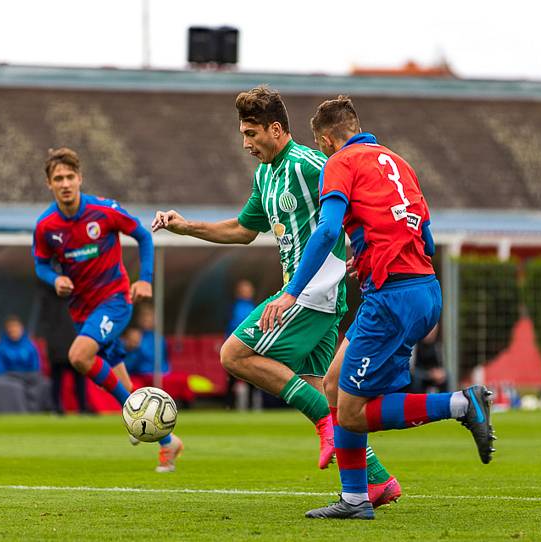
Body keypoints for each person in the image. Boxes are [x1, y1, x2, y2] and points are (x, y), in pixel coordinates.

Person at [153, 86, 396, 500]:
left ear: (276, 128)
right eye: (243, 135)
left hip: (310, 291)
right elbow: (244, 231)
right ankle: (377, 480)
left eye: (251, 134)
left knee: (234, 355)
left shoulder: (309, 163)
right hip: (318, 298)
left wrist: (368, 248)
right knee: (317, 388)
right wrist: (186, 226)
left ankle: (325, 426)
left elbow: (356, 197)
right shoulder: (265, 175)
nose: (246, 143)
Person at [290, 96, 495, 520]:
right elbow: (427, 238)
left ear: (327, 140)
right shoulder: (398, 163)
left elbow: (328, 228)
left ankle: (461, 404)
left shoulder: (340, 163)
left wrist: (294, 289)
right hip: (422, 289)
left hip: (391, 298)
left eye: (322, 146)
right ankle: (355, 499)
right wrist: (367, 255)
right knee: (333, 384)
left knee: (353, 412)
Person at [33, 147, 183, 472]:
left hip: (114, 301)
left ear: (80, 178)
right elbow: (41, 265)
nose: (65, 183)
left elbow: (143, 236)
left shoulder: (103, 211)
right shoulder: (46, 226)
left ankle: (131, 415)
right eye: (58, 178)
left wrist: (144, 280)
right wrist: (54, 279)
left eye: (70, 177)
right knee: (115, 369)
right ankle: (168, 443)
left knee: (80, 356)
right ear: (49, 184)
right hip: (82, 311)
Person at [39, 290, 88, 415]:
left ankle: (82, 406)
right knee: (58, 379)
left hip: (74, 344)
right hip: (59, 346)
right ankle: (57, 407)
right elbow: (46, 323)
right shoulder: (49, 298)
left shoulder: (79, 296)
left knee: (78, 380)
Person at [0, 315, 53, 413]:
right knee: (16, 387)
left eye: (15, 327)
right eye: (10, 328)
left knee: (46, 383)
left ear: (21, 329)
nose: (13, 330)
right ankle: (22, 412)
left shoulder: (30, 345)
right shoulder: (0, 347)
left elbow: (36, 366)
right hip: (10, 376)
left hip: (29, 376)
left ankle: (45, 410)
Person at [225, 280, 260, 410]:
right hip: (235, 347)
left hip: (251, 347)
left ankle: (251, 406)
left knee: (252, 378)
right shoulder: (233, 308)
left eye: (249, 289)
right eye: (245, 289)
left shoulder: (254, 307)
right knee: (232, 378)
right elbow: (230, 327)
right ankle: (229, 405)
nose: (248, 292)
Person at [409, 324, 447, 393]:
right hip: (418, 374)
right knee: (417, 379)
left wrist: (440, 373)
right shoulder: (415, 345)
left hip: (433, 374)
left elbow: (441, 366)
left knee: (446, 377)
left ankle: (445, 401)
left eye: (434, 330)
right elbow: (412, 368)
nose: (432, 333)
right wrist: (429, 374)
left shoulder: (438, 346)